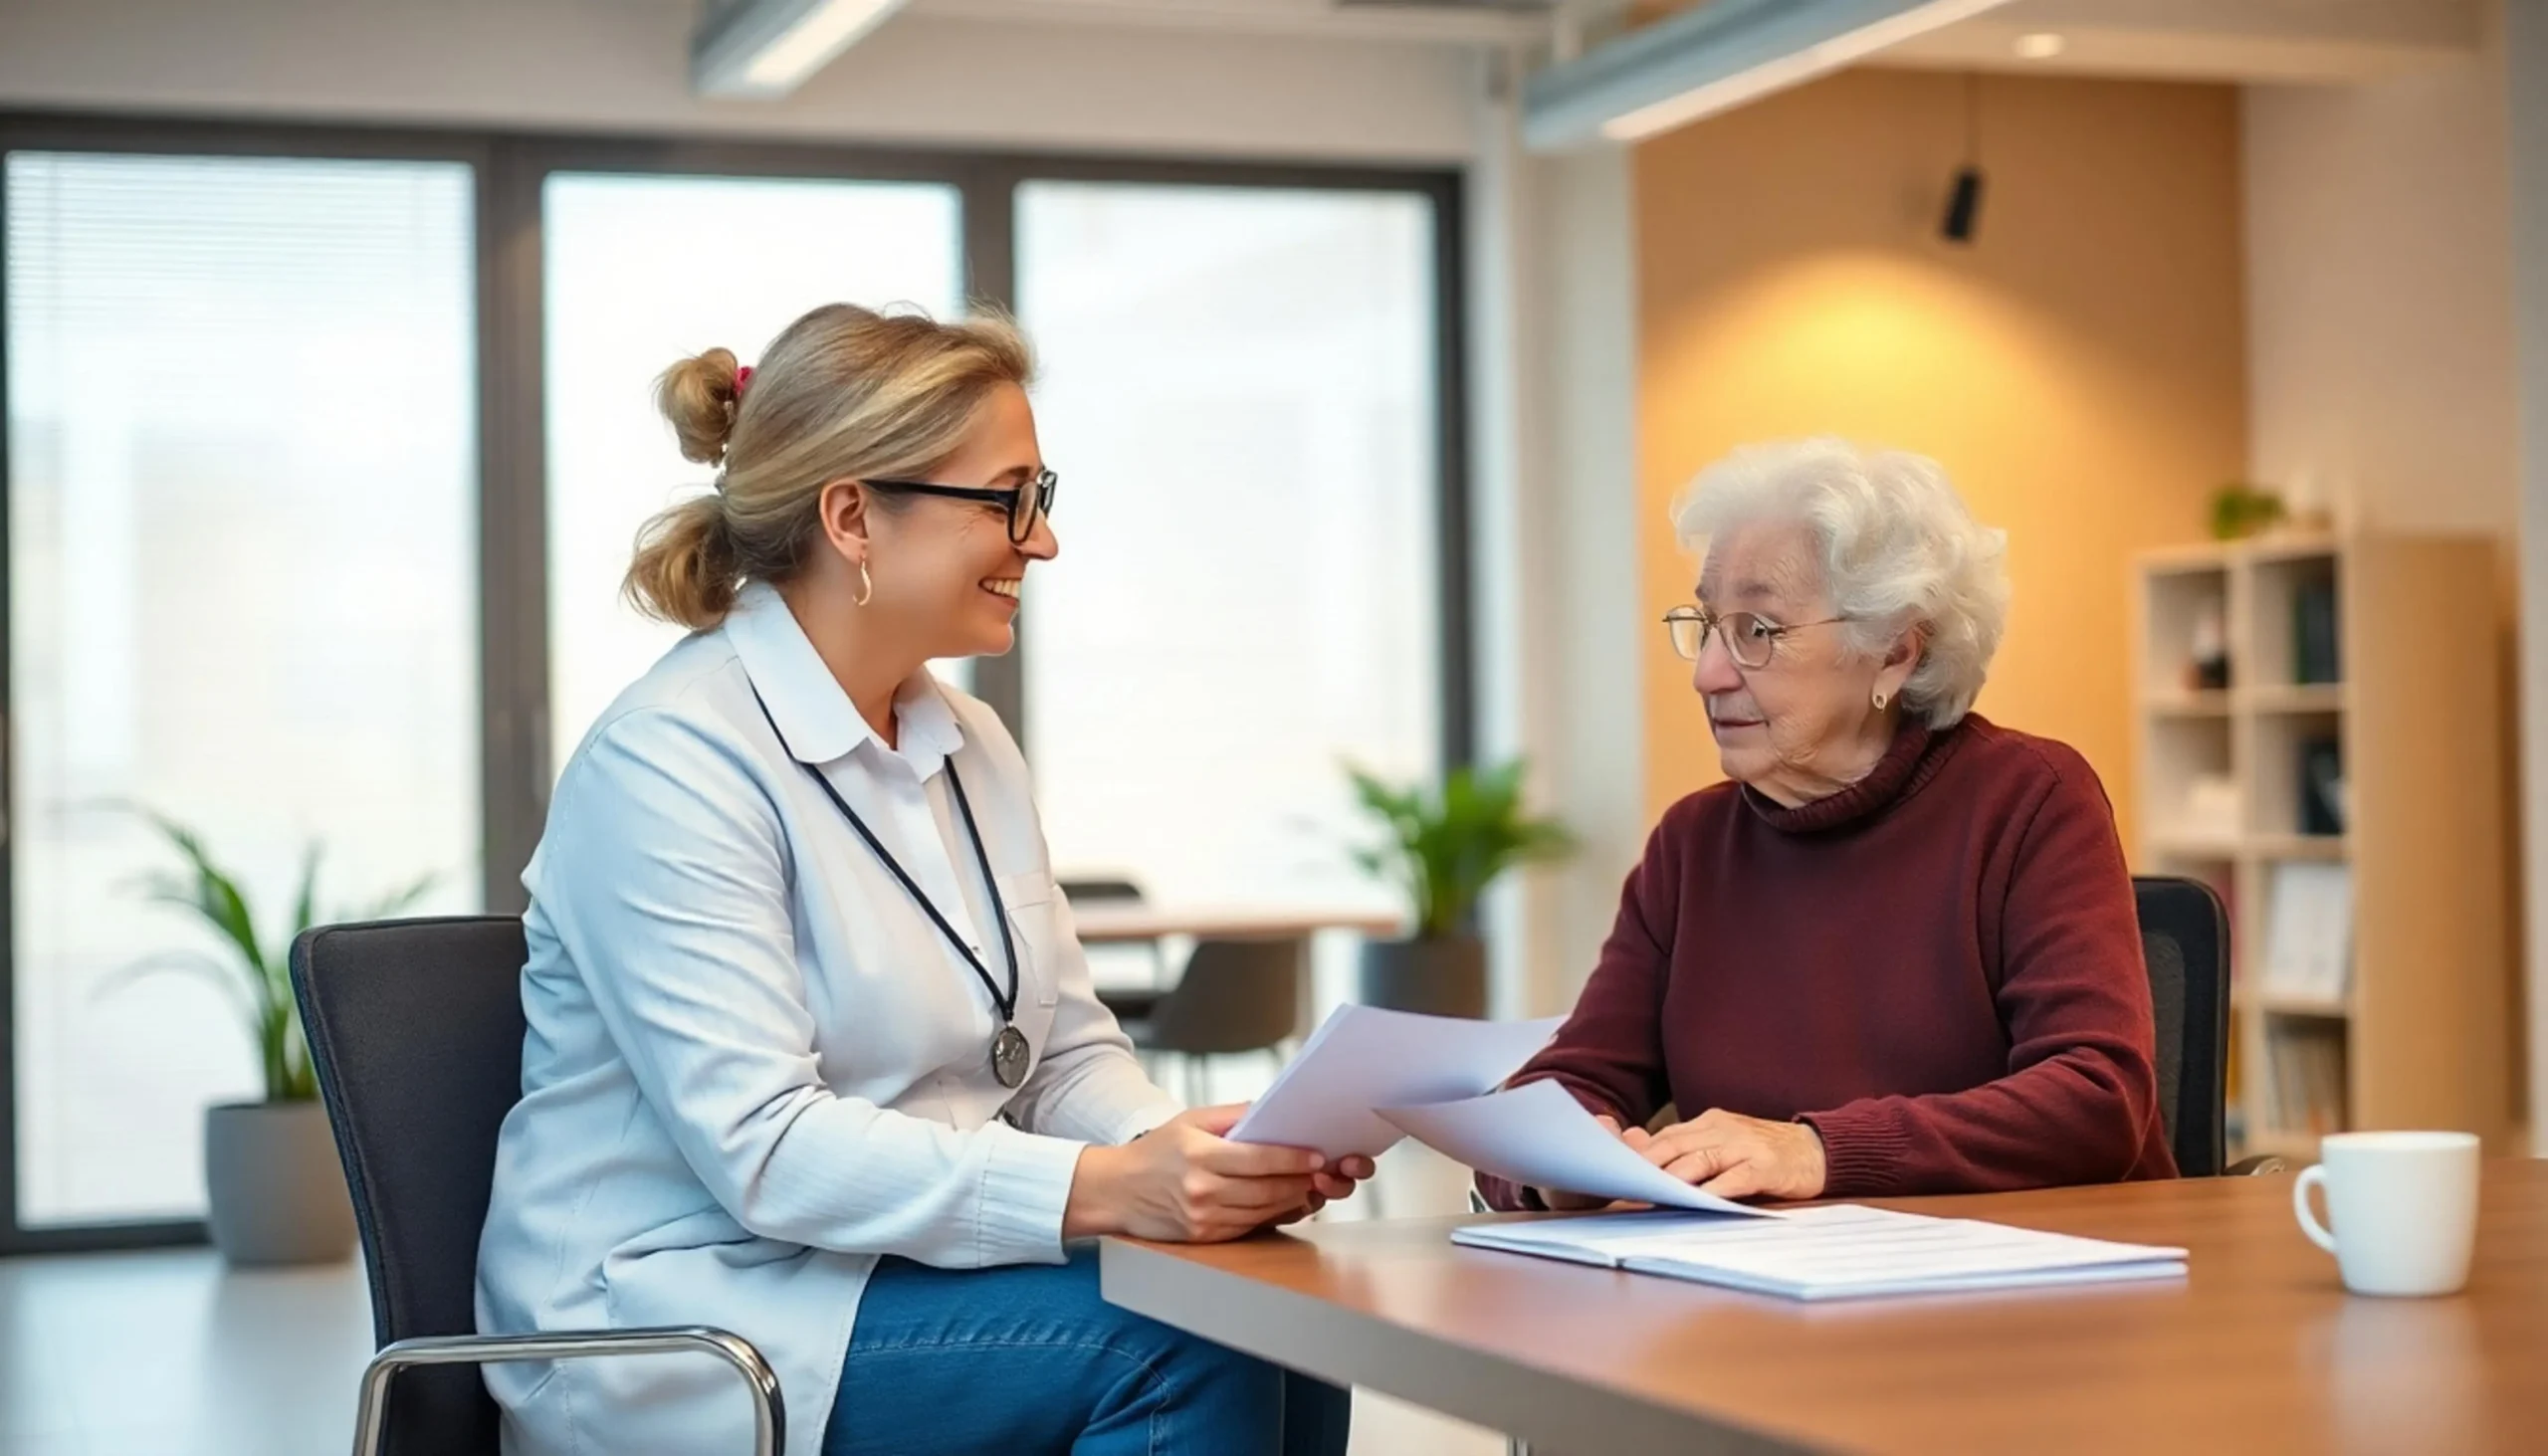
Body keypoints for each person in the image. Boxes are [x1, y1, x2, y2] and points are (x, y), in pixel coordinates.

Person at [476, 303, 1369, 1456]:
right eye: (1009, 500)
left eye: (1040, 500)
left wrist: (1188, 1161)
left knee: (1280, 1311)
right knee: (1177, 1341)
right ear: (852, 515)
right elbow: (766, 1149)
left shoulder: (968, 746)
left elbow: (1062, 1056)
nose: (1040, 542)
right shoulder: (671, 760)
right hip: (686, 1317)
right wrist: (1108, 1190)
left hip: (891, 1272)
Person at [1481, 438, 2176, 1213]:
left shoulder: (2029, 800)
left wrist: (1816, 1149)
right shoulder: (1692, 847)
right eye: (1708, 623)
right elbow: (1570, 1080)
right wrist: (1554, 1162)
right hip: (1780, 1301)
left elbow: (2096, 1098)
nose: (1707, 671)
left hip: (2045, 1296)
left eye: (1758, 629)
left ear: (1894, 655)